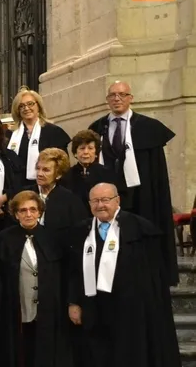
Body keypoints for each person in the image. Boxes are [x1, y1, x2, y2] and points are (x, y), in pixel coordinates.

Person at [68, 183, 185, 367]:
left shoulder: (138, 229)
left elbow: (153, 273)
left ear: (117, 200)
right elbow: (74, 272)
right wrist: (73, 302)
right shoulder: (81, 232)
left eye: (106, 199)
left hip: (131, 310)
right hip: (95, 308)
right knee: (102, 363)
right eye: (95, 201)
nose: (101, 205)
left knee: (134, 364)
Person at [0, 191, 75, 367]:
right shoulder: (4, 238)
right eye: (22, 210)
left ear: (40, 212)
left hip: (49, 313)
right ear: (15, 213)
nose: (28, 214)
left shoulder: (52, 238)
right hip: (18, 313)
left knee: (45, 360)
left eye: (32, 210)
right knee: (21, 360)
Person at [88, 81, 178, 286]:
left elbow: (157, 171)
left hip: (141, 195)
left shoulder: (149, 128)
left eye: (122, 94)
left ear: (131, 98)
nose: (117, 99)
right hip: (108, 197)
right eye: (112, 95)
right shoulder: (96, 128)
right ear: (107, 100)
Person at [5, 87, 70, 186]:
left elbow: (62, 165)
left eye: (30, 104)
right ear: (17, 110)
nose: (26, 108)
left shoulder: (54, 132)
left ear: (38, 106)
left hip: (48, 187)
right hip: (16, 188)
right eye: (21, 106)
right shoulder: (9, 134)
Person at [29, 148, 84, 246]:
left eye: (46, 170)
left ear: (58, 175)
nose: (39, 173)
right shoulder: (25, 195)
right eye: (38, 168)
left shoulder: (71, 201)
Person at [60, 129, 121, 217]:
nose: (86, 152)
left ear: (96, 153)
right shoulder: (66, 176)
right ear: (75, 153)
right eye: (82, 148)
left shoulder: (108, 174)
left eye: (90, 148)